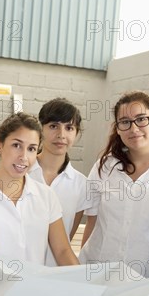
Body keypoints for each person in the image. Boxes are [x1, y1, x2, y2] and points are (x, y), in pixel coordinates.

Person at [79, 91, 149, 278]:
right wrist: (83, 272)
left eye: (141, 119)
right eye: (125, 122)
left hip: (148, 276)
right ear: (118, 128)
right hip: (98, 272)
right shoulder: (105, 166)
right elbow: (92, 223)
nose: (134, 129)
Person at [0, 112, 79, 266]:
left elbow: (62, 251)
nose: (24, 157)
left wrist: (86, 284)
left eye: (31, 149)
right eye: (16, 145)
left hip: (34, 288)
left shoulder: (46, 196)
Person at [28, 98, 88, 266]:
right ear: (40, 129)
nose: (61, 135)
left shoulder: (81, 185)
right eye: (54, 126)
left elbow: (65, 241)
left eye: (69, 128)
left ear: (76, 133)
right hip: (17, 270)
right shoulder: (21, 173)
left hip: (55, 272)